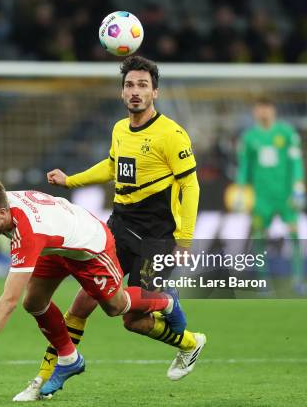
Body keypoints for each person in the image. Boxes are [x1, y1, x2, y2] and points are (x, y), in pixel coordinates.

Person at [0, 181, 192, 398]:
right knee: (35, 301)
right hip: (56, 245)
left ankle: (164, 299)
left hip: (90, 246)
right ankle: (70, 360)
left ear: (2, 214)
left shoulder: (27, 231)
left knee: (117, 307)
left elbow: (7, 300)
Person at [14, 55, 205, 401]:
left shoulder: (172, 134)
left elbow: (191, 187)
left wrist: (185, 239)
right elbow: (113, 166)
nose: (135, 92)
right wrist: (71, 180)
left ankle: (189, 341)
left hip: (156, 239)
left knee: (132, 321)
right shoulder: (119, 129)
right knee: (83, 303)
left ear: (155, 93)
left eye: (143, 86)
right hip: (117, 227)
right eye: (130, 85)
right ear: (122, 93)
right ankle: (46, 377)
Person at [235, 96, 307, 293]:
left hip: (286, 195)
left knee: (294, 232)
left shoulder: (286, 133)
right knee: (259, 236)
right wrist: (240, 190)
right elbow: (244, 167)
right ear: (255, 112)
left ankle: (298, 279)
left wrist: (299, 186)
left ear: (273, 110)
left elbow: (296, 162)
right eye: (260, 109)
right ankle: (263, 281)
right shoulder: (249, 138)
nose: (264, 112)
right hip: (261, 197)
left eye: (267, 108)